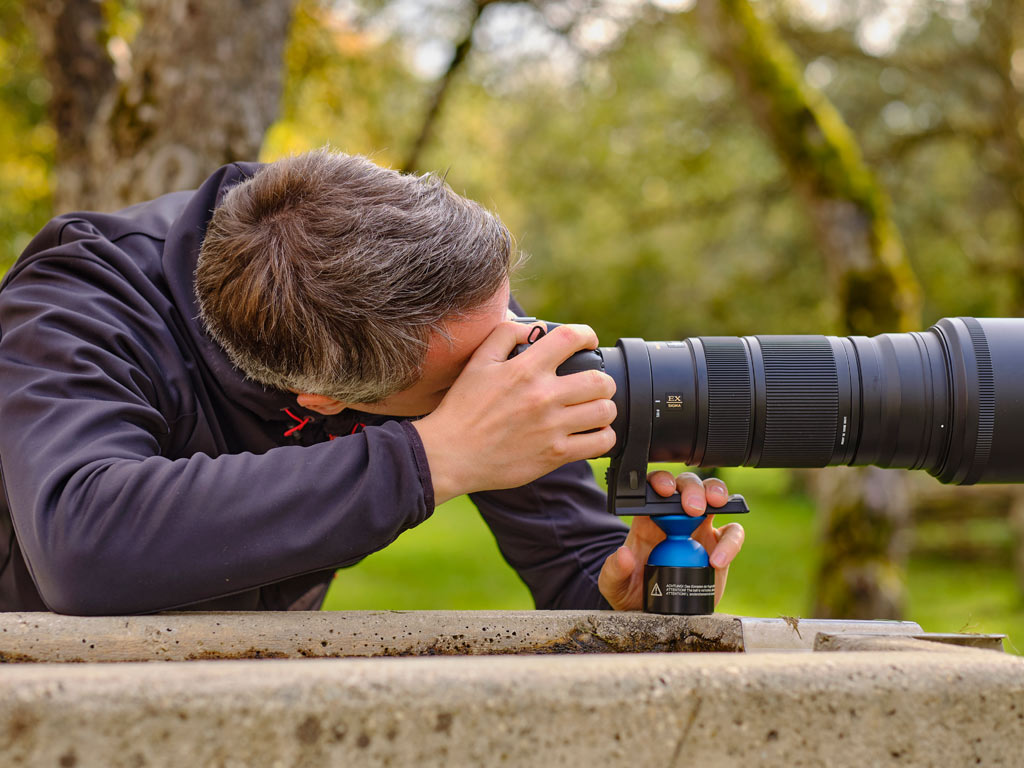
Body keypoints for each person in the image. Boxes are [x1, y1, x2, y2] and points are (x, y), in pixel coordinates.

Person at [0, 150, 744, 615]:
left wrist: (621, 590)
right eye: (461, 389)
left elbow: (570, 561)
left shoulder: (449, 310)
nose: (509, 358)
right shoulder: (79, 304)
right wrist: (436, 457)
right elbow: (81, 543)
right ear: (324, 399)